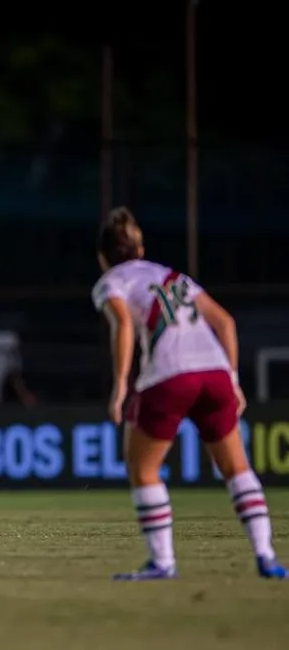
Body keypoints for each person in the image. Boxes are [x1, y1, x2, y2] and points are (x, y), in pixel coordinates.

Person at [92, 207, 283, 580]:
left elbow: (124, 326)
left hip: (169, 376)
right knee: (236, 468)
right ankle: (266, 556)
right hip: (213, 372)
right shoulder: (172, 276)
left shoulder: (111, 282)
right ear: (140, 247)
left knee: (143, 469)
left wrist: (120, 386)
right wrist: (232, 378)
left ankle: (162, 562)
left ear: (103, 257)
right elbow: (225, 322)